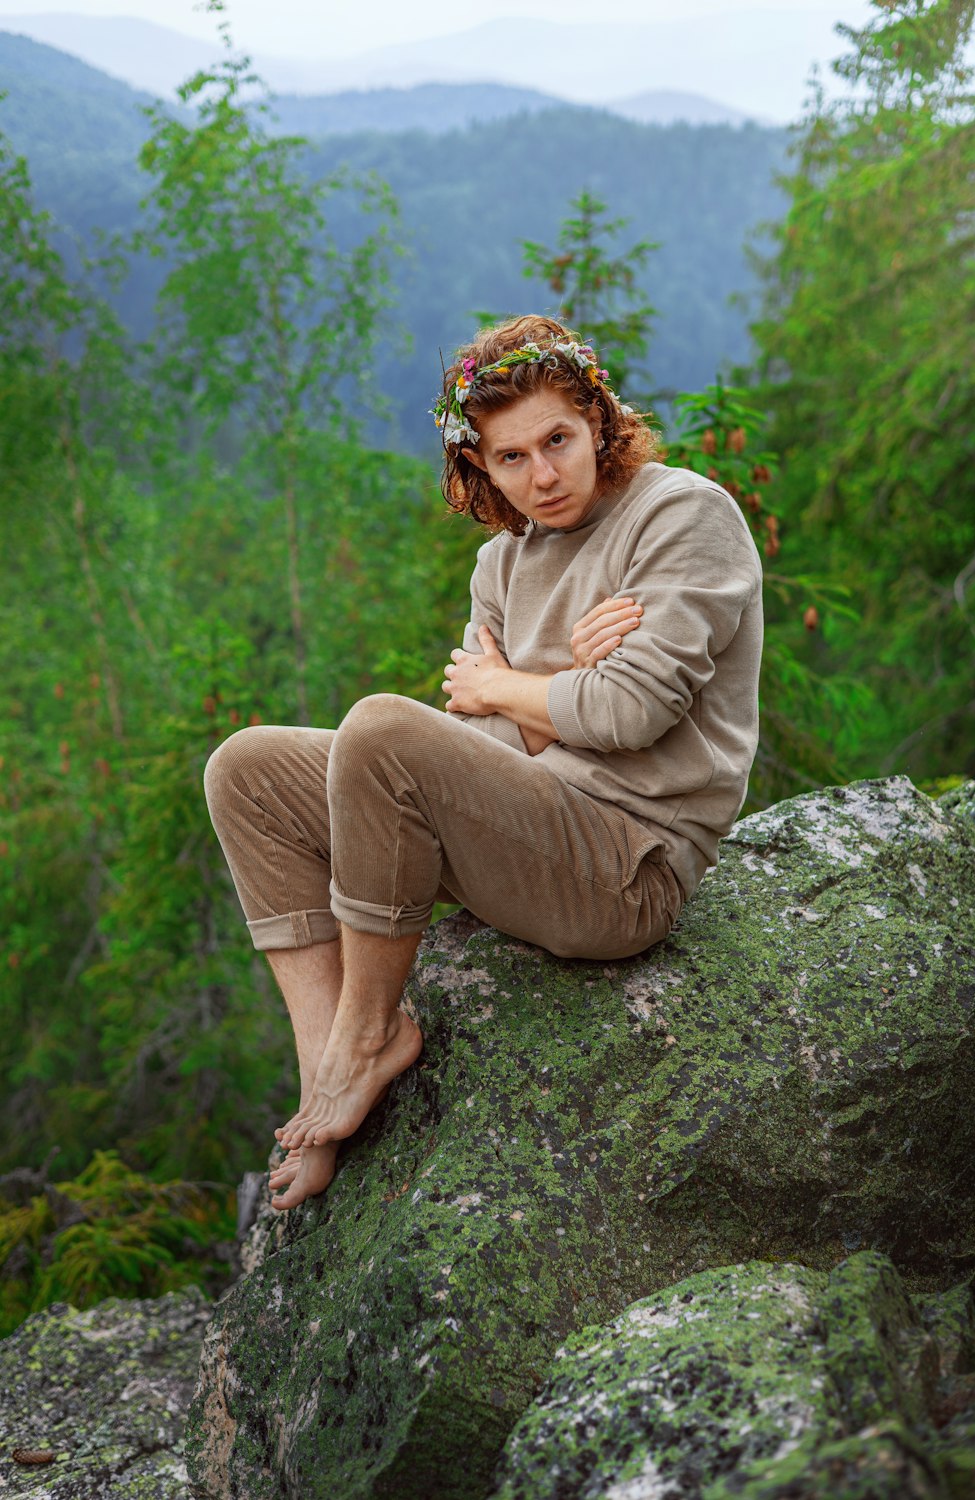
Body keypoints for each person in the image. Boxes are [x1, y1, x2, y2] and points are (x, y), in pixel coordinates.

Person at [203, 314, 763, 1211]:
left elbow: (632, 710)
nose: (542, 476)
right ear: (479, 468)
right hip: (530, 826)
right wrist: (559, 688)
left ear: (600, 421)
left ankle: (371, 1030)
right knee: (246, 770)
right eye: (510, 458)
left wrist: (514, 688)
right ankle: (331, 1064)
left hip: (626, 867)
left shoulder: (683, 515)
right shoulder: (501, 566)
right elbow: (496, 739)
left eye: (558, 440)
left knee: (383, 729)